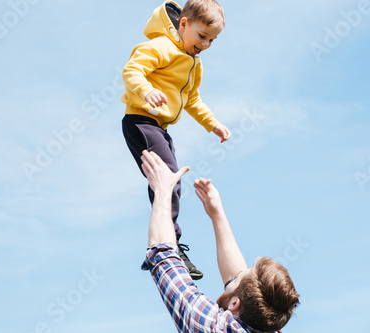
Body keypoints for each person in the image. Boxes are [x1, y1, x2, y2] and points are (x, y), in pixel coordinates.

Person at [121, 0, 231, 280]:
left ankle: (167, 240)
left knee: (168, 182)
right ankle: (168, 245)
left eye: (212, 40)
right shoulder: (160, 46)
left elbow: (192, 100)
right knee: (169, 178)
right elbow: (131, 71)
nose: (205, 45)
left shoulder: (194, 65)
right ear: (184, 24)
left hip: (160, 127)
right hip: (141, 121)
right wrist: (146, 92)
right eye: (202, 36)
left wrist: (213, 124)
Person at [140, 150, 300, 332]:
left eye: (241, 275)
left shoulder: (211, 327)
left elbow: (163, 256)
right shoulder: (268, 322)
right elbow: (240, 285)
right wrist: (217, 215)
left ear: (234, 303)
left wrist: (162, 190)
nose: (238, 272)